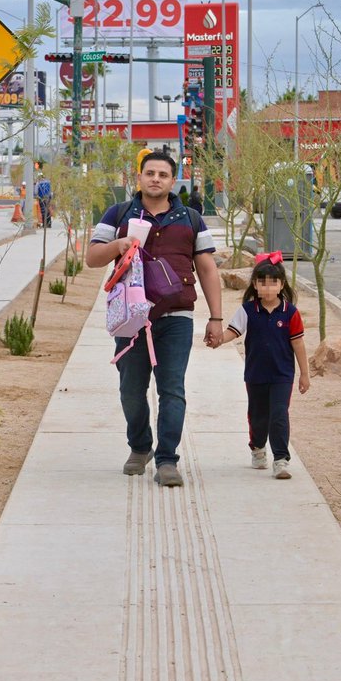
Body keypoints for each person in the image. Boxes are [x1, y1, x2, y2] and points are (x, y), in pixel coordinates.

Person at [86, 150, 224, 488]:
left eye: (163, 174)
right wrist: (119, 244)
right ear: (140, 177)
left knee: (172, 390)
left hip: (177, 317)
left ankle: (167, 460)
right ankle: (140, 446)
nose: (156, 179)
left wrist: (216, 317)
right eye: (150, 173)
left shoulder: (191, 217)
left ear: (172, 180)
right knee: (131, 390)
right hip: (131, 318)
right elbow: (91, 258)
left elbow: (206, 268)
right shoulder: (119, 213)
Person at [208, 251, 310, 479]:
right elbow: (231, 333)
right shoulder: (247, 311)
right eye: (261, 282)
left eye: (272, 282)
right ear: (254, 284)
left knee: (279, 415)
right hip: (255, 374)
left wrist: (304, 374)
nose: (267, 287)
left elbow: (299, 344)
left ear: (281, 284)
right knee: (258, 416)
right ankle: (257, 447)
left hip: (282, 375)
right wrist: (217, 340)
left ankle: (281, 460)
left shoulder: (291, 313)